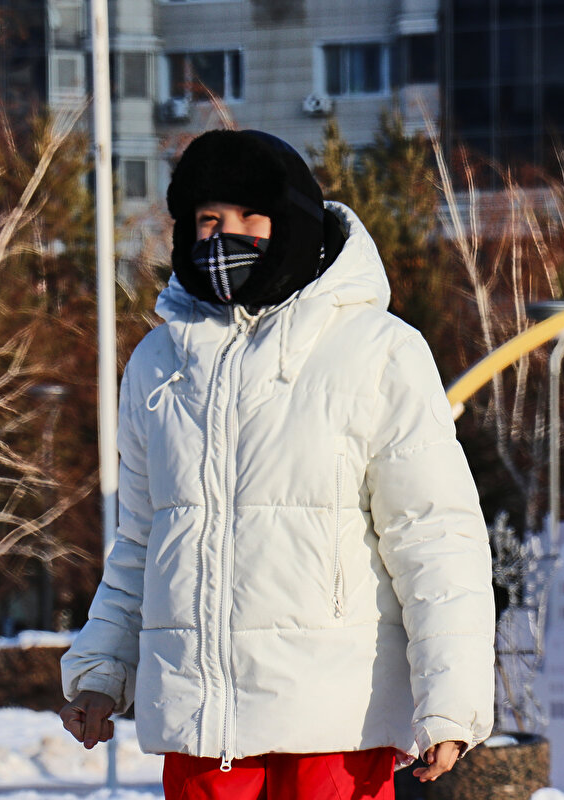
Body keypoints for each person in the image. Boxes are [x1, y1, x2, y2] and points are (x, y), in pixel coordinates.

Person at [59, 129, 495, 800]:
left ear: (292, 221)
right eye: (207, 221)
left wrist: (451, 697)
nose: (223, 238)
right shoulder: (158, 365)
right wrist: (101, 667)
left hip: (335, 723)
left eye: (248, 218)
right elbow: (144, 539)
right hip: (203, 719)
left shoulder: (379, 352)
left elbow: (434, 536)